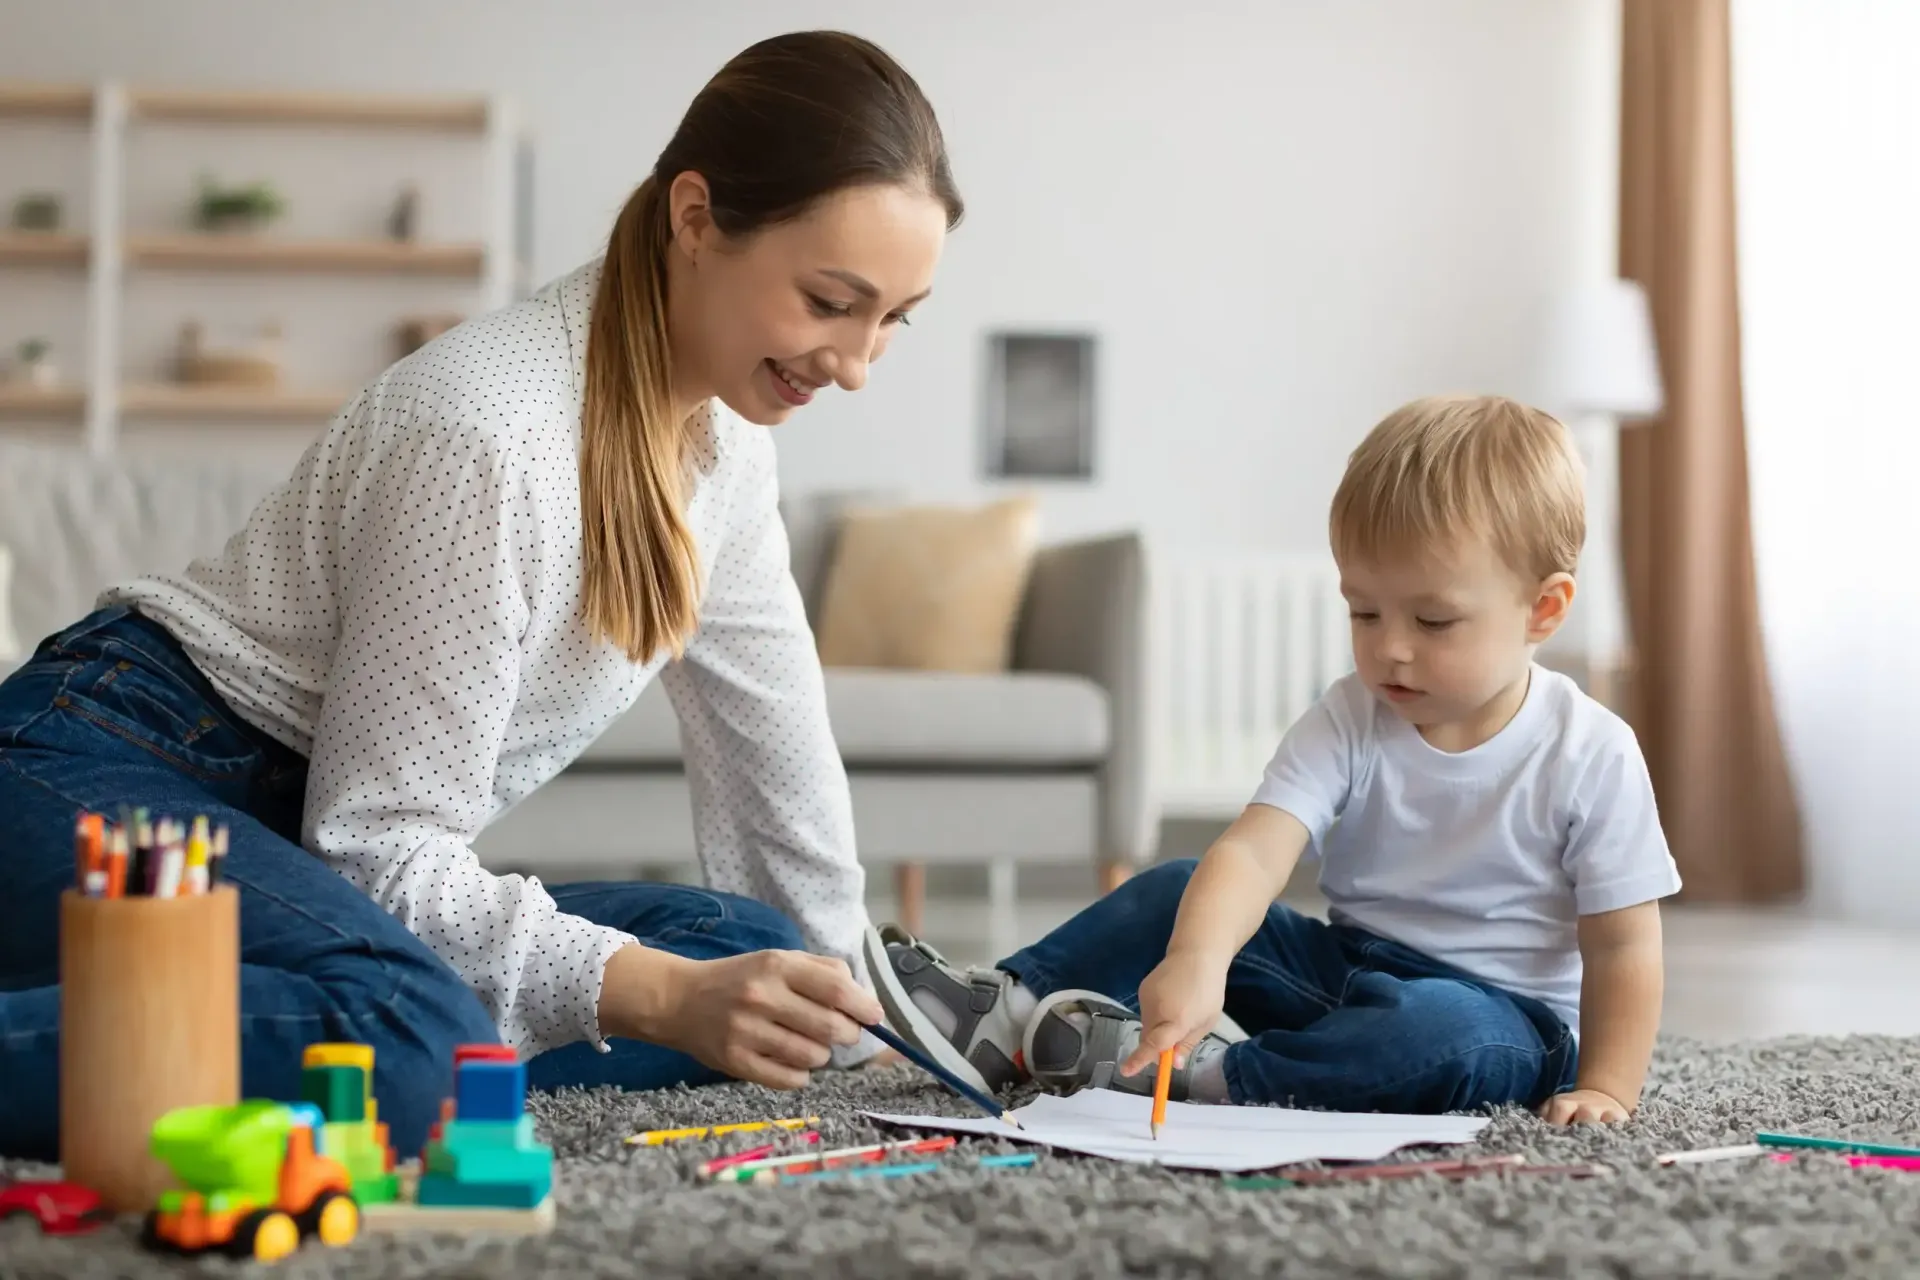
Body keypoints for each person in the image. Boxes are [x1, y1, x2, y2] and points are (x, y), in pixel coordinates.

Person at [0, 30, 962, 1161]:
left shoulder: (726, 448)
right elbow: (375, 850)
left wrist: (850, 1014)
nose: (852, 362)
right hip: (110, 773)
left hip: (289, 850)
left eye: (893, 319)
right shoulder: (487, 433)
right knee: (413, 1040)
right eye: (829, 301)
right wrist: (646, 997)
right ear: (695, 219)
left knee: (739, 954)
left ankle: (271, 1021)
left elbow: (774, 768)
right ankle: (355, 1028)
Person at [865, 394, 1682, 1125]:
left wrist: (1608, 1086)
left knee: (1441, 1033)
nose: (1390, 649)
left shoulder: (1591, 752)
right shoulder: (1352, 715)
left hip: (1506, 1024)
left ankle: (1215, 1079)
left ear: (1543, 609)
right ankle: (1004, 1021)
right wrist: (1197, 958)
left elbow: (1623, 946)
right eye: (1364, 611)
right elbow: (1257, 850)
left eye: (1433, 622)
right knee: (1181, 888)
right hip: (1345, 972)